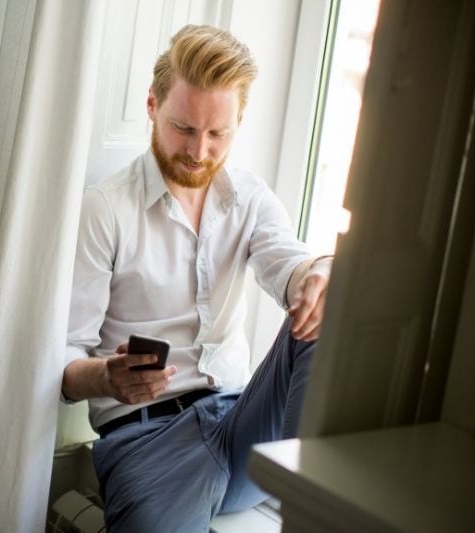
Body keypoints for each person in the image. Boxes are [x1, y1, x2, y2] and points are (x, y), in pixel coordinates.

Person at [61, 25, 333, 532]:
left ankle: (309, 513)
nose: (199, 152)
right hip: (149, 442)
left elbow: (289, 265)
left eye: (217, 134)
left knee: (326, 306)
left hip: (241, 426)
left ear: (238, 122)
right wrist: (105, 377)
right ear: (151, 106)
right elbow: (65, 365)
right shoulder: (104, 210)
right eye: (183, 128)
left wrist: (319, 273)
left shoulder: (250, 198)